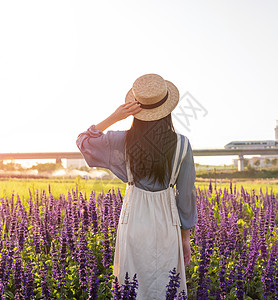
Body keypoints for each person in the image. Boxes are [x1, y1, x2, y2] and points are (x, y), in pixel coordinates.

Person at [76, 73, 197, 299]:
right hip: (167, 222)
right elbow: (187, 196)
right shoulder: (182, 144)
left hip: (133, 219)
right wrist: (185, 238)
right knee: (165, 283)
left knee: (131, 285)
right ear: (167, 109)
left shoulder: (122, 140)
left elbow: (84, 141)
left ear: (136, 111)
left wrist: (114, 116)